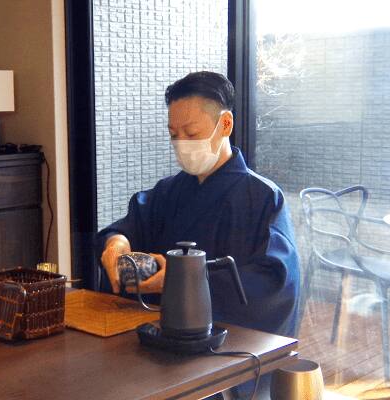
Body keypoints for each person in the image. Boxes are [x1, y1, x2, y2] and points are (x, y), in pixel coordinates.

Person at [96, 71, 300, 341]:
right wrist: (116, 244)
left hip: (226, 345)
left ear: (225, 125)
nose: (182, 144)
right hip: (163, 337)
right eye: (174, 135)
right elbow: (129, 228)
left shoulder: (263, 198)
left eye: (191, 134)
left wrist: (186, 281)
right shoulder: (169, 192)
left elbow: (273, 281)